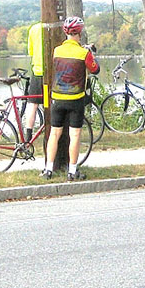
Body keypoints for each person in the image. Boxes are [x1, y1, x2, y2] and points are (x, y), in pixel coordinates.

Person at [41, 17, 100, 181]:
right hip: (76, 99)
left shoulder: (57, 51)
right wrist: (91, 54)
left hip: (58, 98)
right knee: (74, 135)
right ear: (79, 32)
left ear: (65, 32)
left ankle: (48, 169)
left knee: (54, 133)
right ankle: (72, 171)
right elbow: (95, 69)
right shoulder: (83, 53)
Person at [23, 21, 45, 144]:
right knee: (53, 103)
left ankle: (28, 134)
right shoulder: (56, 27)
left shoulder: (34, 29)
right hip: (51, 72)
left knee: (32, 104)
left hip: (37, 71)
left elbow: (30, 52)